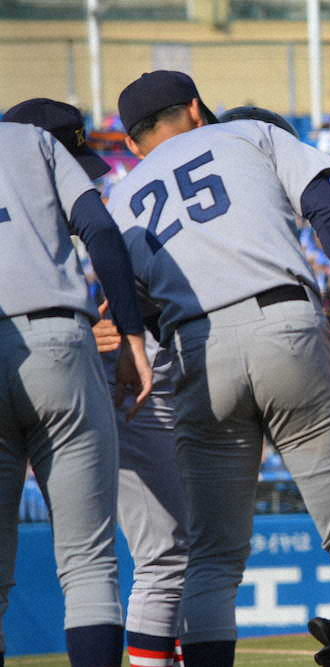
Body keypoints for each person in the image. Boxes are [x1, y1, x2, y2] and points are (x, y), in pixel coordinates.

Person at [106, 70, 330, 667]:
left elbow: (134, 309)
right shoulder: (248, 133)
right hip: (282, 321)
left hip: (195, 349)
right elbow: (328, 215)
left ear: (132, 142)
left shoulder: (120, 197)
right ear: (195, 109)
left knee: (213, 557)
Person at [3, 96, 190, 667]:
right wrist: (132, 335)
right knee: (88, 564)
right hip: (57, 341)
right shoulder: (35, 145)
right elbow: (100, 231)